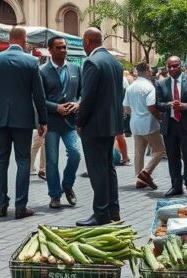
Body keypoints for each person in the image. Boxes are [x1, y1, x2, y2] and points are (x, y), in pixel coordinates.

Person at [0, 27, 47, 219]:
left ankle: (1, 204)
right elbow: (38, 95)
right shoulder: (31, 62)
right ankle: (21, 206)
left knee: (0, 160)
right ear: (24, 40)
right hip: (23, 119)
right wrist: (43, 119)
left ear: (9, 39)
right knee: (23, 160)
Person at [75, 27, 125, 226]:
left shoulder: (92, 62)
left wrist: (79, 122)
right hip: (110, 124)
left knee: (97, 170)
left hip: (94, 126)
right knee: (108, 168)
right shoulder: (115, 62)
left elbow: (88, 98)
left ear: (87, 41)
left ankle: (101, 213)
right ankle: (113, 210)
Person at [39, 36, 82, 209]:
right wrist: (56, 107)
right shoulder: (41, 71)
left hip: (70, 122)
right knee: (52, 161)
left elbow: (82, 93)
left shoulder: (75, 68)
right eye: (59, 47)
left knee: (75, 154)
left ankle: (68, 184)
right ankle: (55, 195)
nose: (63, 50)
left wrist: (78, 103)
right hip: (51, 123)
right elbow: (38, 99)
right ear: (50, 50)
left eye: (64, 47)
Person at [156, 59, 187, 197]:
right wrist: (168, 105)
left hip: (186, 125)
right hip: (170, 125)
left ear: (180, 66)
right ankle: (176, 186)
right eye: (169, 66)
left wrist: (186, 106)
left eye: (174, 66)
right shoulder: (161, 83)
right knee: (172, 157)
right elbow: (158, 104)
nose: (171, 69)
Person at [123, 62, 164, 190]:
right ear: (146, 70)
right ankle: (145, 172)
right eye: (150, 69)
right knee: (160, 150)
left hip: (135, 122)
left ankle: (139, 179)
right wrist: (160, 117)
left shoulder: (131, 87)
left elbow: (126, 108)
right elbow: (151, 106)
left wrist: (135, 113)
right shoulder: (149, 87)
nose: (151, 72)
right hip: (149, 123)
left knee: (139, 151)